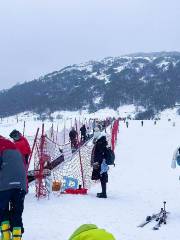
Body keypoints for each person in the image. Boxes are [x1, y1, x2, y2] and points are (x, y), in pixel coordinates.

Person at [0, 135, 27, 240]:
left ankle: (5, 236)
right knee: (17, 212)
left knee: (2, 210)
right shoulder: (13, 146)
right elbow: (23, 164)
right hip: (21, 184)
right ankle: (16, 237)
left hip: (5, 184)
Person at [91, 134, 109, 198]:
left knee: (102, 177)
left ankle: (104, 193)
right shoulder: (103, 142)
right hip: (103, 163)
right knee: (103, 177)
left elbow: (99, 154)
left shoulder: (100, 143)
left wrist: (97, 162)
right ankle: (103, 192)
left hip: (101, 163)